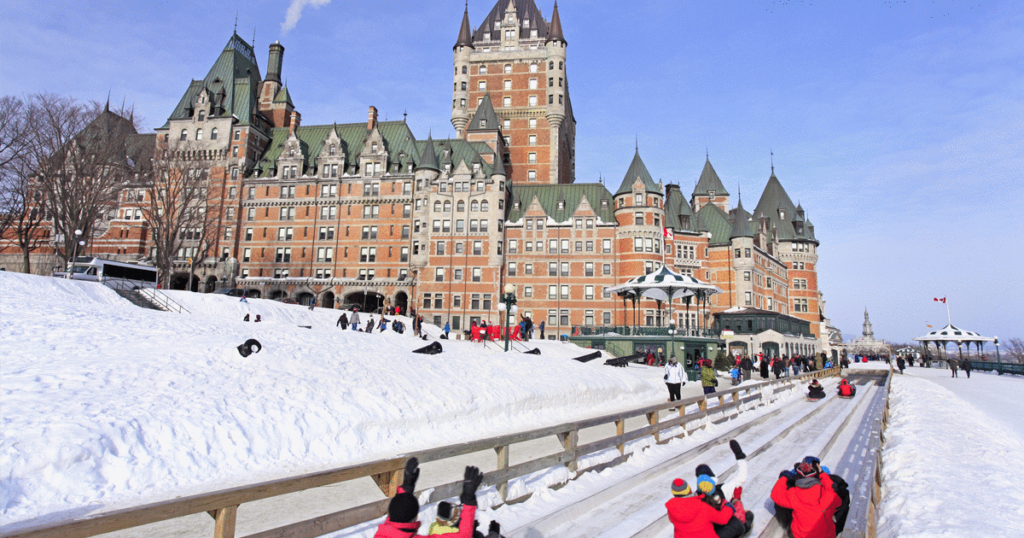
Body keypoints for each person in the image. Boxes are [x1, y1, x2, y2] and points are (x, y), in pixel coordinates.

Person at [373, 459, 481, 538]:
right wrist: (468, 499)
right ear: (415, 517)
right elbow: (464, 536)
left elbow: (395, 522)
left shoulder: (381, 534)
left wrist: (405, 490)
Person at [771, 457, 846, 538]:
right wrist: (822, 474)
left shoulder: (793, 494)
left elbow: (775, 494)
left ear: (798, 477)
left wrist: (784, 477)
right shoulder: (828, 494)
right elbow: (838, 503)